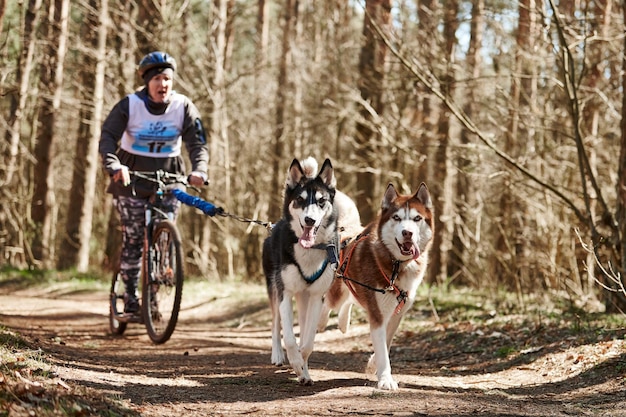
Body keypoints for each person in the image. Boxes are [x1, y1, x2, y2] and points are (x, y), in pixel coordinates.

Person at [99, 51, 209, 314]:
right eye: (158, 79)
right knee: (135, 239)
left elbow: (197, 144)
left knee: (163, 239)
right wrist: (115, 166)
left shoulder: (183, 107)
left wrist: (200, 170)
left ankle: (154, 295)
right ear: (148, 82)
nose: (164, 85)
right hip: (131, 178)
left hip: (169, 177)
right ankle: (131, 296)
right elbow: (107, 138)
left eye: (168, 79)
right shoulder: (129, 105)